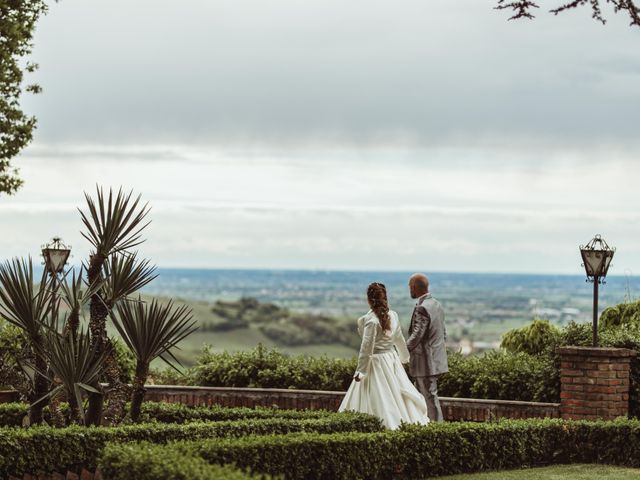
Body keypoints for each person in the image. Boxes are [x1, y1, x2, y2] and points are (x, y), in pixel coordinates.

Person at [339, 282, 429, 429]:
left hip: (375, 363)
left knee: (378, 397)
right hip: (391, 360)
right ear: (385, 297)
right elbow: (399, 339)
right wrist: (404, 357)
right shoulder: (393, 316)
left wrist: (361, 371)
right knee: (395, 396)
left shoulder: (370, 321)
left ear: (369, 299)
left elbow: (366, 349)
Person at [406, 273, 449, 422]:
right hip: (435, 359)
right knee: (426, 396)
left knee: (429, 397)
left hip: (424, 361)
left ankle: (436, 427)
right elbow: (443, 333)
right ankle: (423, 424)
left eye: (410, 287)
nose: (409, 290)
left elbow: (417, 334)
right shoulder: (436, 304)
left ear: (414, 288)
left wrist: (404, 350)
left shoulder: (422, 307)